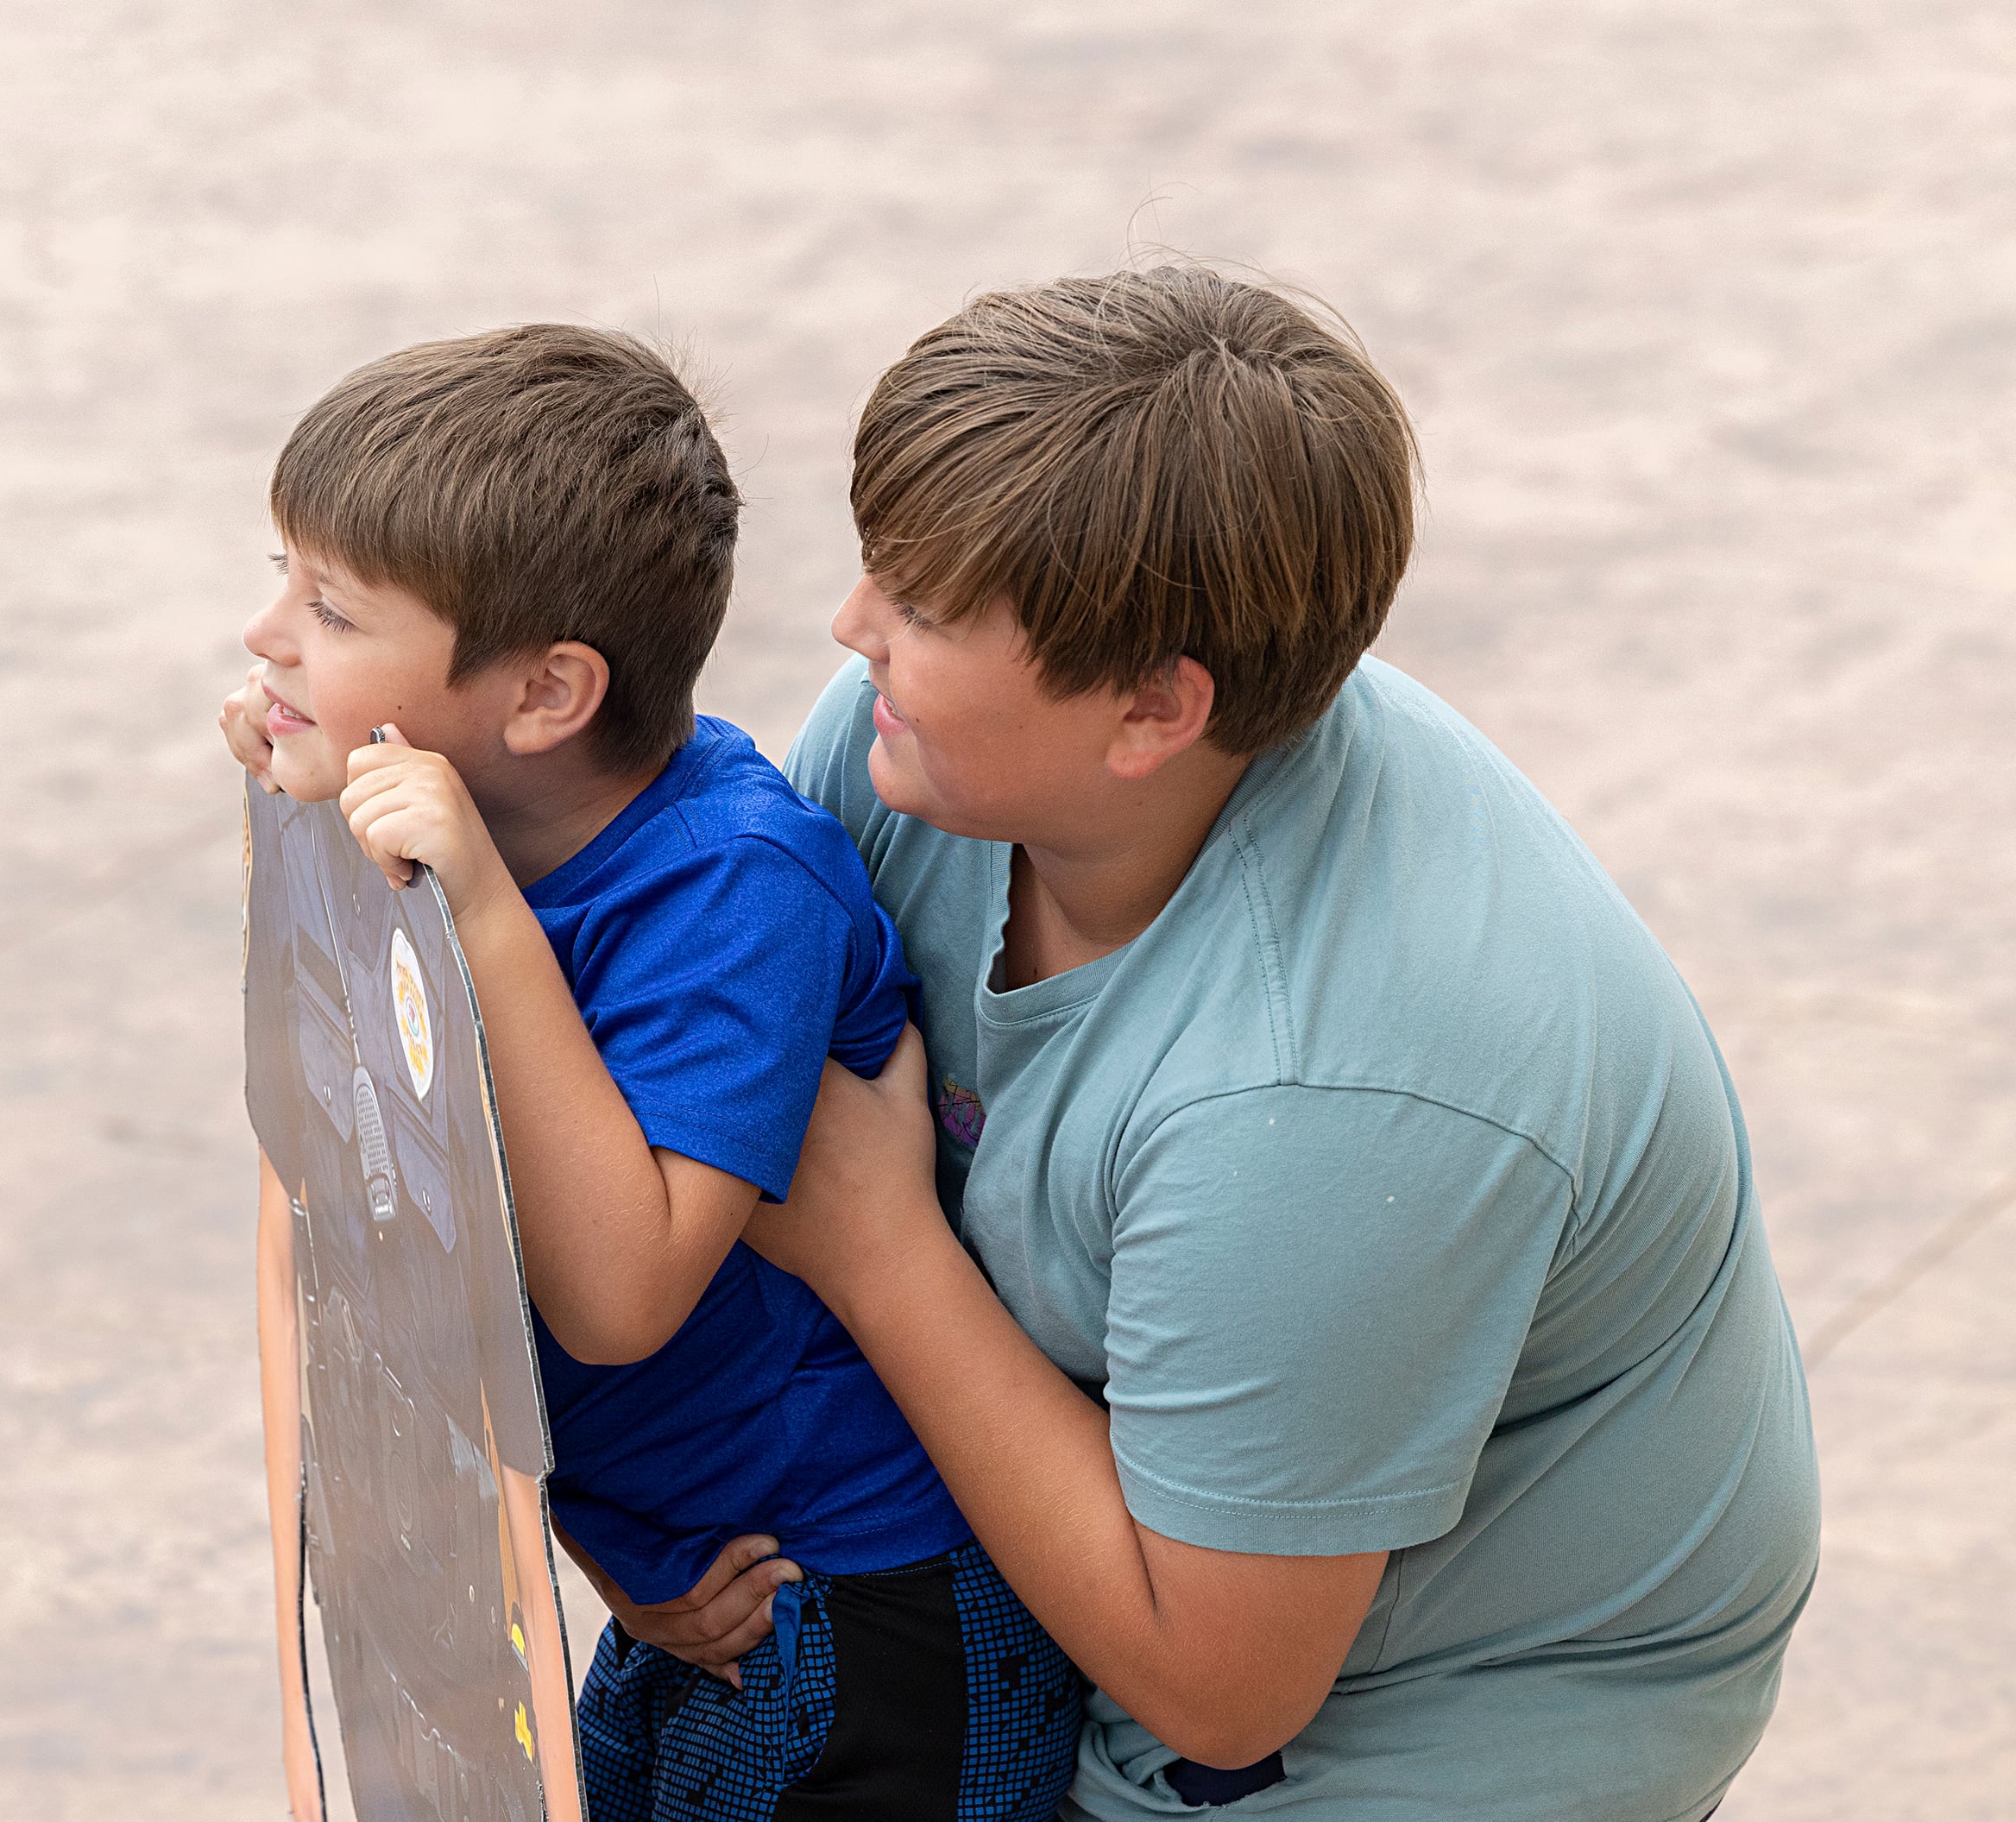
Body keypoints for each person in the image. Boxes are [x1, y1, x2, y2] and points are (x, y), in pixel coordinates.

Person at [598, 268, 1824, 1820]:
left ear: (1152, 714)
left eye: (918, 608)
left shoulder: (1324, 1092)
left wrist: (879, 1247)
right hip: (1120, 1515)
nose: (850, 634)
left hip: (1418, 1698)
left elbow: (1223, 1692)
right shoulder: (910, 752)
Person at [224, 324, 1087, 1820]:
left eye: (332, 609)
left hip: (861, 1620)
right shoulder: (470, 848)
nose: (267, 635)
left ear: (548, 697)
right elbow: (419, 1233)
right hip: (691, 1589)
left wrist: (480, 907)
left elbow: (619, 1294)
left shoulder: (733, 889)